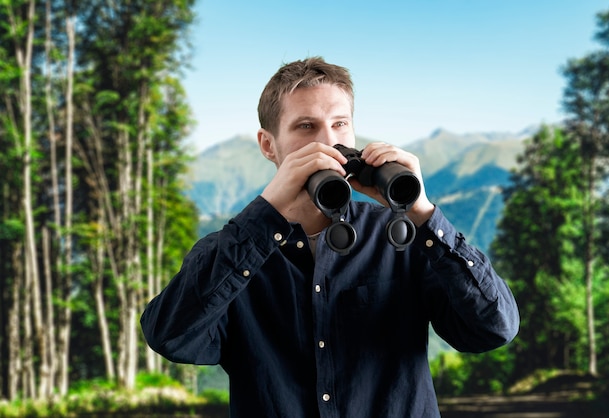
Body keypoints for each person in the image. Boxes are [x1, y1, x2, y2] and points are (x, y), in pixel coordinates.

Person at [141, 57, 519, 418]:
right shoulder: (231, 253)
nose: (329, 143)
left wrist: (422, 212)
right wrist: (266, 211)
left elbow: (493, 328)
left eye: (340, 124)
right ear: (268, 145)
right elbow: (171, 337)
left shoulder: (400, 238)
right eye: (306, 126)